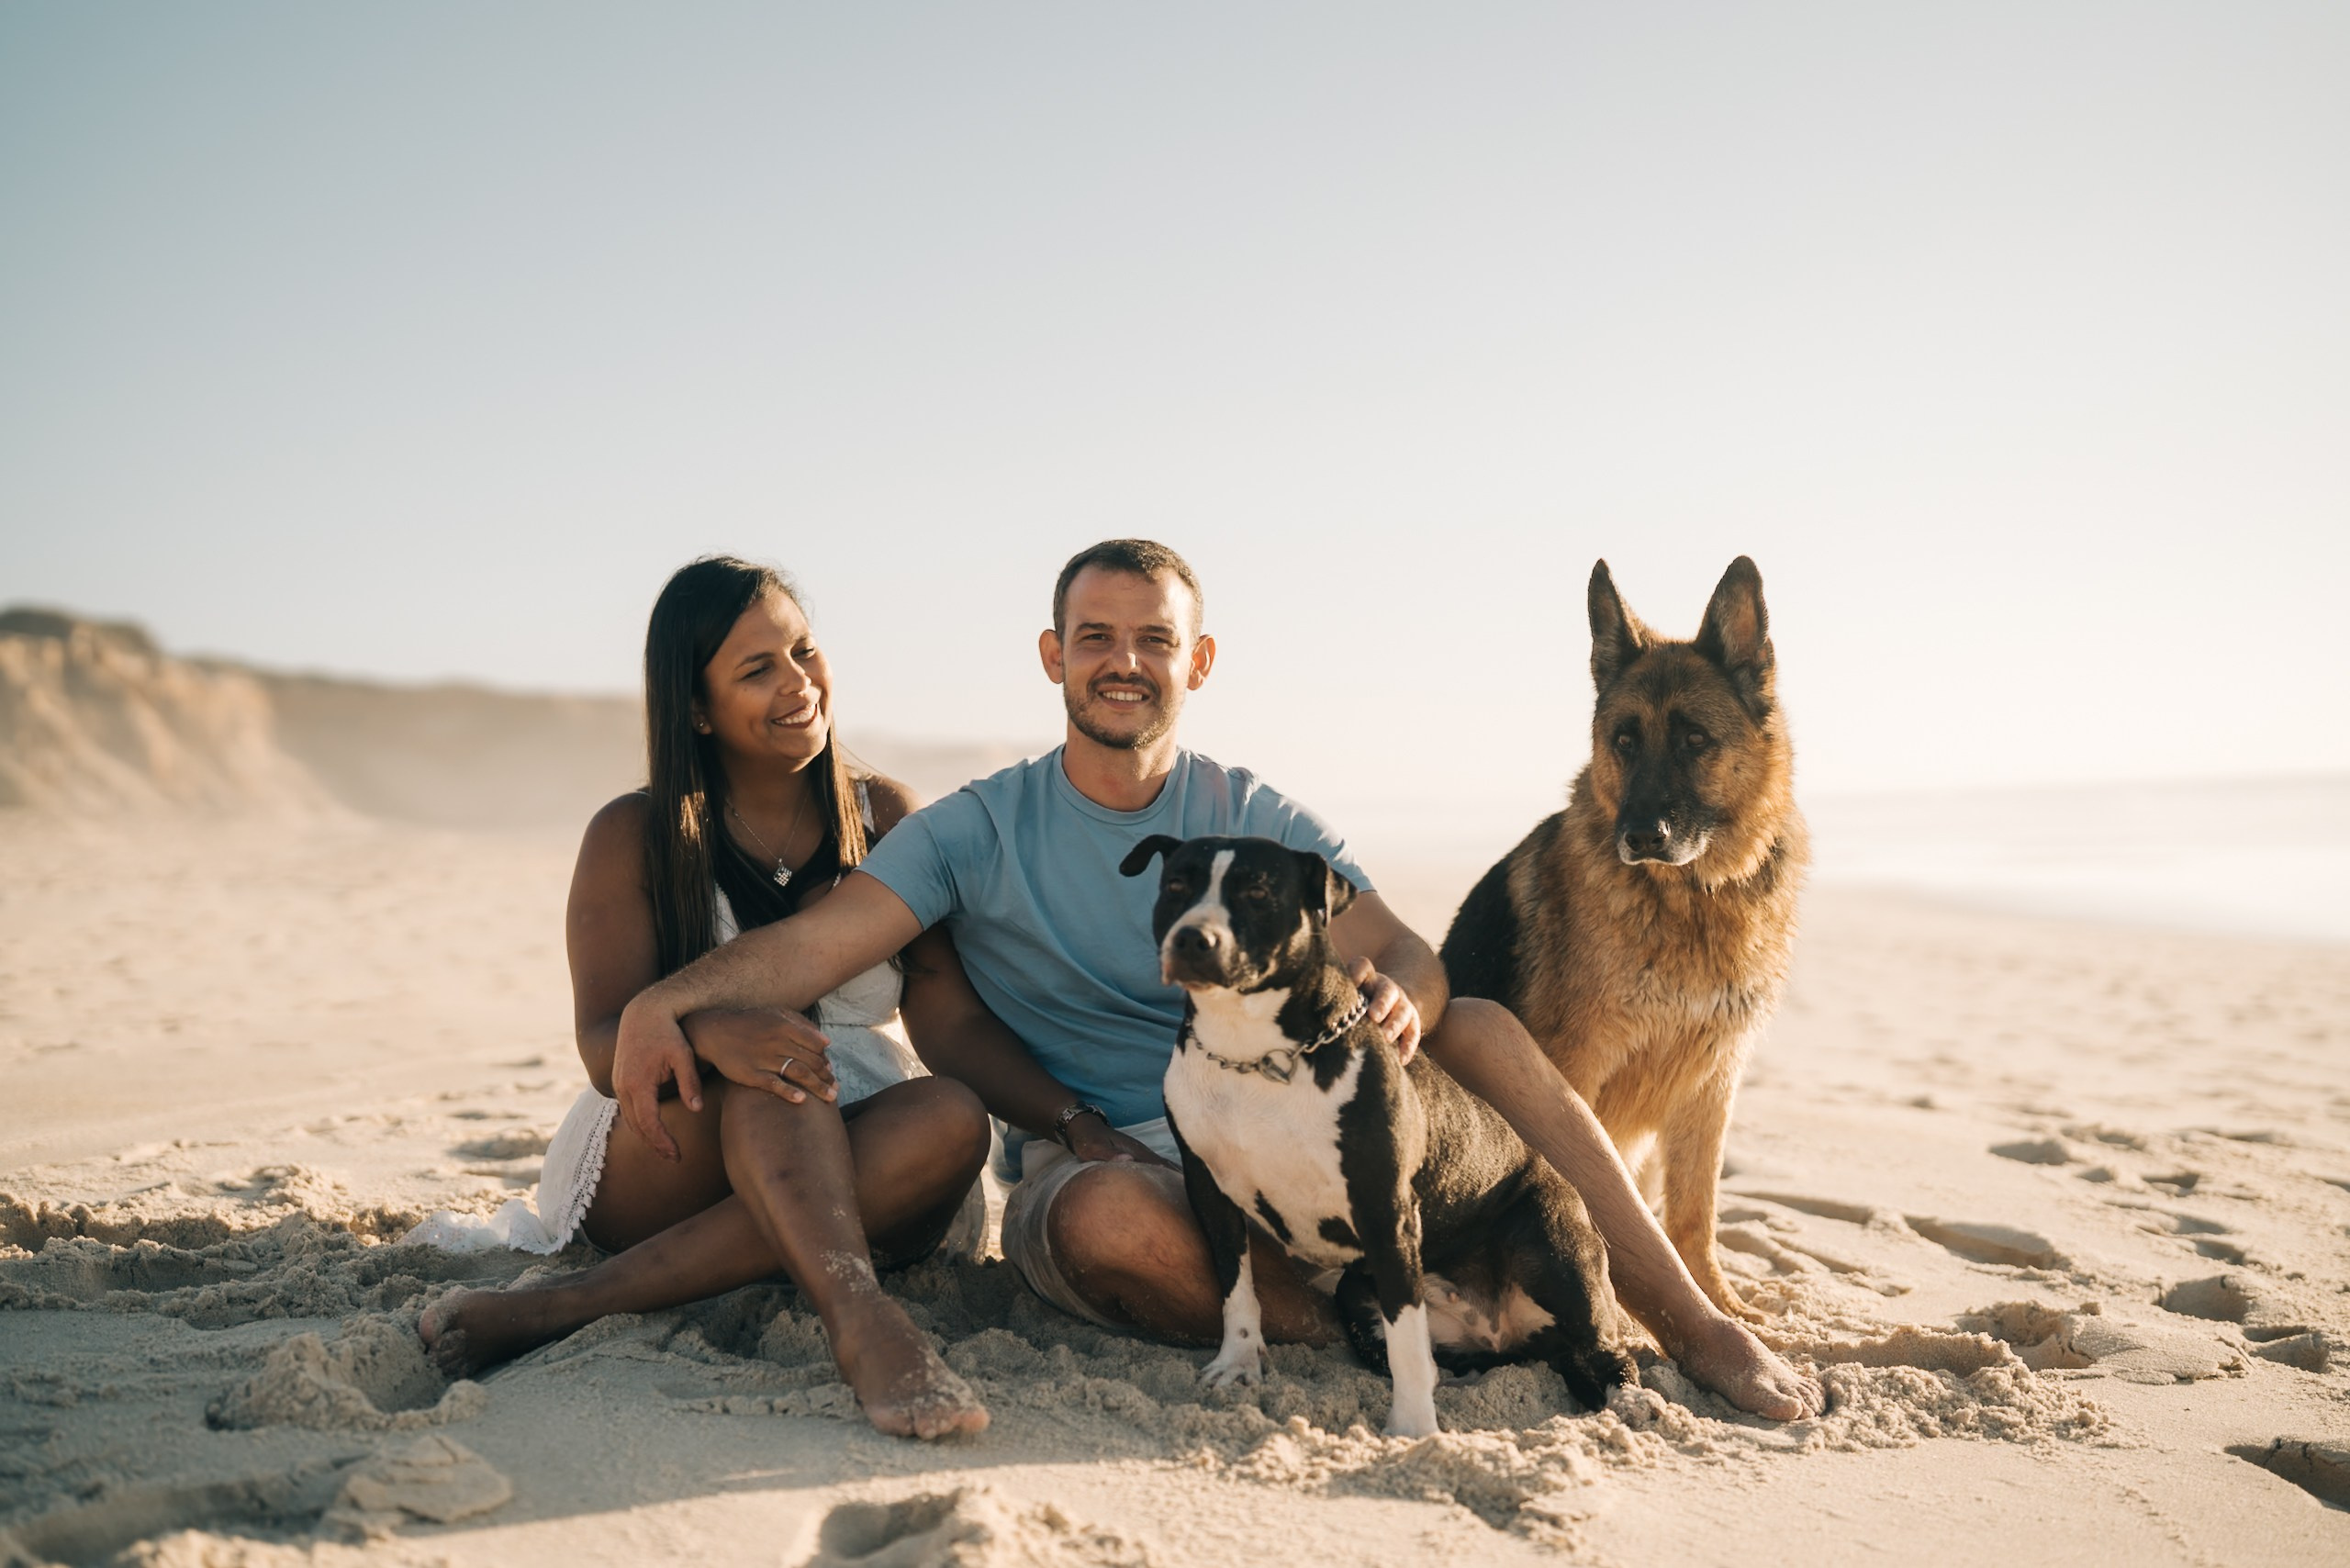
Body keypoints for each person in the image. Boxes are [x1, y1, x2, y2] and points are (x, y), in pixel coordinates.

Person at [614, 540, 1825, 1421]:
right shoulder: (980, 826)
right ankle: (1397, 1320)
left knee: (1494, 1027)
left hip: (1304, 1138)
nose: (1122, 662)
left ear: (1195, 658)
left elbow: (1407, 953)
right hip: (1115, 1163)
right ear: (1055, 657)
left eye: (1151, 639)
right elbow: (819, 946)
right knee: (1101, 1219)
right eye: (1095, 638)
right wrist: (665, 1002)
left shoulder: (1250, 812)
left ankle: (1690, 1321)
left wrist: (1405, 994)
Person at [420, 555, 1008, 1440]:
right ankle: (862, 1320)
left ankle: (571, 1304)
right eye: (756, 669)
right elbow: (601, 1042)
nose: (798, 683)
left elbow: (950, 1020)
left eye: (804, 651)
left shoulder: (885, 818)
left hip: (858, 1132)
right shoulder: (634, 835)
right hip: (675, 1140)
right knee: (766, 1065)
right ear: (698, 708)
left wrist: (1074, 1120)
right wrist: (712, 1033)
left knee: (957, 1116)